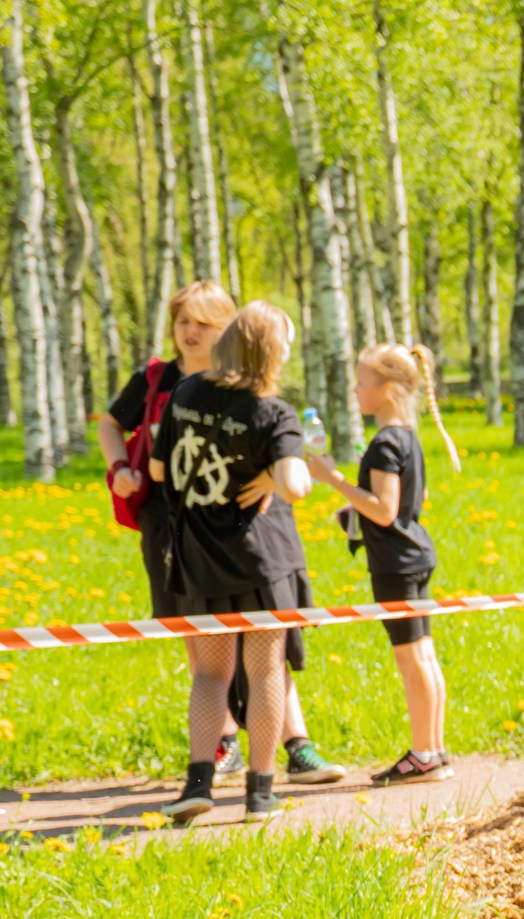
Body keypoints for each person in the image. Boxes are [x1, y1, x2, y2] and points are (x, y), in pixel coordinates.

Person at [98, 281, 342, 790]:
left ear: (228, 333)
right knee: (238, 657)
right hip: (215, 541)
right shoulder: (180, 386)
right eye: (182, 321)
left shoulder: (210, 391)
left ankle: (250, 763)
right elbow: (297, 484)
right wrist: (119, 468)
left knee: (242, 661)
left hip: (227, 538)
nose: (189, 332)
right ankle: (244, 769)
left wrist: (263, 474)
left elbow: (171, 471)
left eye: (203, 323)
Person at [149, 303, 317, 823]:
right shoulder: (273, 412)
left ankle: (198, 783)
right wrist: (269, 476)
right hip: (259, 561)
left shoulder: (186, 392)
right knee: (264, 670)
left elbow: (158, 470)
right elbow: (296, 485)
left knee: (209, 674)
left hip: (200, 559)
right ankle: (259, 793)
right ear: (273, 353)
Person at [305, 343, 459, 783]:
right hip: (414, 556)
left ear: (388, 389)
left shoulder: (385, 441)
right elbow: (414, 497)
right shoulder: (407, 436)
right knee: (424, 655)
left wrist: (333, 478)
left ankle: (423, 755)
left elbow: (385, 510)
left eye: (361, 382)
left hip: (395, 565)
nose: (355, 390)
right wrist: (355, 509)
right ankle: (434, 750)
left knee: (412, 661)